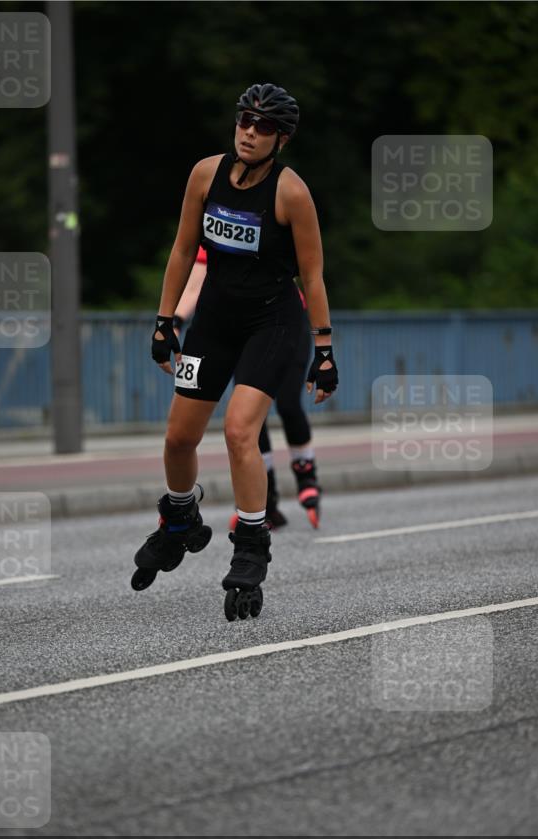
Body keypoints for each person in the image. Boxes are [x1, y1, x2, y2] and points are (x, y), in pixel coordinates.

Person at [131, 83, 338, 620]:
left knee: (240, 431)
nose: (249, 132)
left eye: (263, 126)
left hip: (272, 322)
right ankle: (180, 518)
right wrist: (164, 321)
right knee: (179, 438)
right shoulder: (206, 174)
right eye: (245, 120)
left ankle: (251, 545)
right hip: (214, 321)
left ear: (281, 139)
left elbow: (313, 275)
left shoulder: (291, 193)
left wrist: (324, 349)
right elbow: (183, 250)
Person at [174, 248, 322, 530]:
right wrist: (174, 321)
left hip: (281, 322)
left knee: (289, 402)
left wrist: (324, 347)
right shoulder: (214, 228)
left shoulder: (273, 222)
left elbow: (312, 274)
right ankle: (266, 498)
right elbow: (195, 280)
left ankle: (306, 473)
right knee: (248, 415)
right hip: (234, 328)